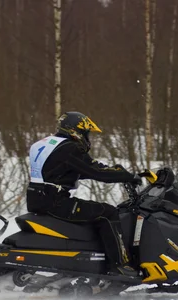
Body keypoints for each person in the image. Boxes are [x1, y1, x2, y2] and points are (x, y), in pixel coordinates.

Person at [26, 111, 141, 277]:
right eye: (86, 133)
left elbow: (74, 169)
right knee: (108, 213)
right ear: (76, 130)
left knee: (93, 212)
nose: (87, 138)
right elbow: (96, 171)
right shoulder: (69, 148)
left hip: (38, 197)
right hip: (55, 201)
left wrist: (117, 172)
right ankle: (120, 266)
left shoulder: (47, 143)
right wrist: (128, 176)